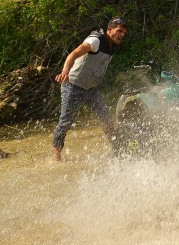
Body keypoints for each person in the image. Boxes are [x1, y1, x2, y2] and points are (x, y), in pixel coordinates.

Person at [52, 17, 128, 162]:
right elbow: (73, 54)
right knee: (66, 121)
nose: (122, 35)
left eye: (124, 32)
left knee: (106, 116)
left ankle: (118, 149)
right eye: (119, 31)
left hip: (91, 89)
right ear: (109, 29)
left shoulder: (112, 46)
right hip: (73, 85)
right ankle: (56, 157)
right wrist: (65, 72)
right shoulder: (95, 41)